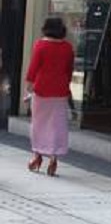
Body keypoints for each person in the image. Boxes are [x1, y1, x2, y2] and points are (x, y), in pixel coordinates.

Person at [25, 17, 75, 177]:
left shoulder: (40, 45)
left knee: (38, 123)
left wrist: (29, 86)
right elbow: (69, 70)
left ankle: (37, 155)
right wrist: (66, 84)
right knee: (57, 124)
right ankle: (54, 157)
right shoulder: (67, 48)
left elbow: (33, 68)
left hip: (41, 89)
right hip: (60, 91)